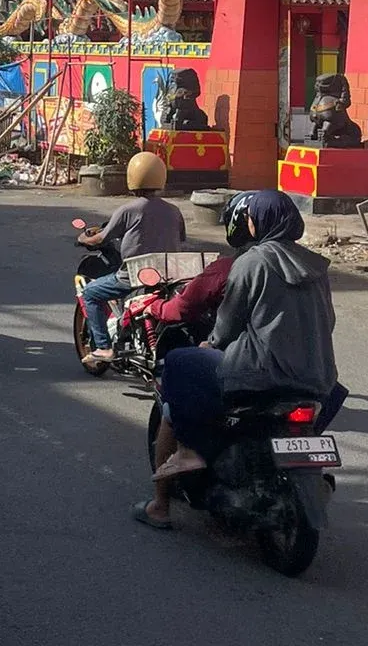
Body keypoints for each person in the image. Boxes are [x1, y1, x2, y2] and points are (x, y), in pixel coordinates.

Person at [138, 189, 337, 530]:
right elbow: (328, 322)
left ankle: (180, 469)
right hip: (319, 378)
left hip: (259, 376)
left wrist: (209, 344)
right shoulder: (316, 266)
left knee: (179, 363)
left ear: (257, 222)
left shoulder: (251, 261)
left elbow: (227, 327)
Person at [77, 152, 186, 370]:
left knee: (90, 294)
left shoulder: (128, 210)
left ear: (132, 178)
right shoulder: (175, 210)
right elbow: (180, 239)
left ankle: (103, 347)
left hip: (135, 275)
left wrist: (83, 238)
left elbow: (101, 237)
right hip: (169, 275)